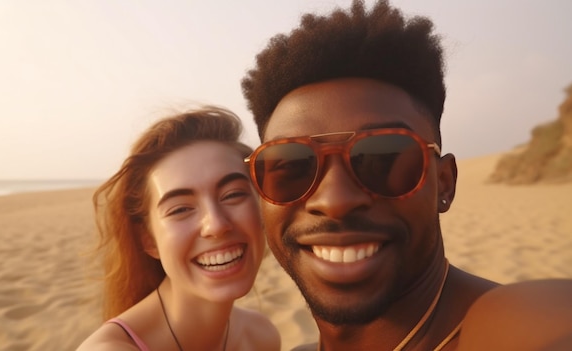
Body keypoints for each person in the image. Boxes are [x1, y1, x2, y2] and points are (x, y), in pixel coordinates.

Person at [240, 1, 572, 350]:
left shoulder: (521, 324)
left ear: (444, 183)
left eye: (384, 158)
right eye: (291, 166)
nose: (335, 200)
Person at [77, 106, 280, 351]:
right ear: (148, 240)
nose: (216, 225)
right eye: (180, 209)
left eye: (233, 194)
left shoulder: (261, 336)